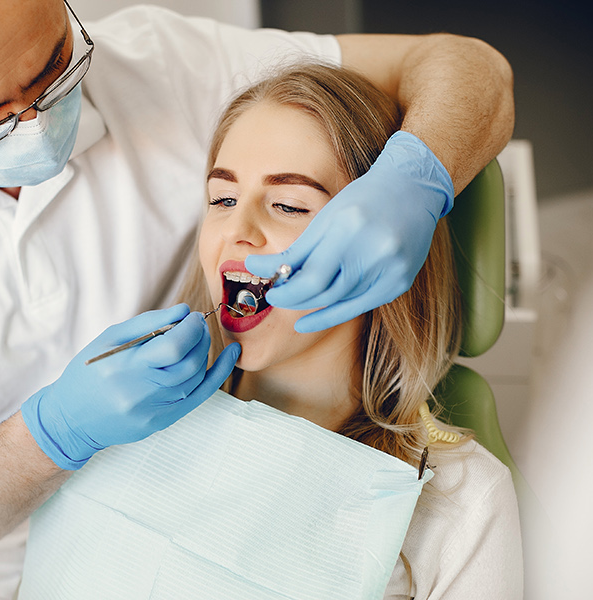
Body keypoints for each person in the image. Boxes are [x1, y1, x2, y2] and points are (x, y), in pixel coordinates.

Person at [0, 0, 513, 596]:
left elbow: (469, 68)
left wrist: (418, 176)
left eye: (51, 69)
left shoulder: (457, 505)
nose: (40, 125)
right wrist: (48, 439)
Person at [177, 62, 522, 599]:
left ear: (382, 246)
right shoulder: (144, 421)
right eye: (222, 199)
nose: (236, 232)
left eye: (289, 205)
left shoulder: (459, 498)